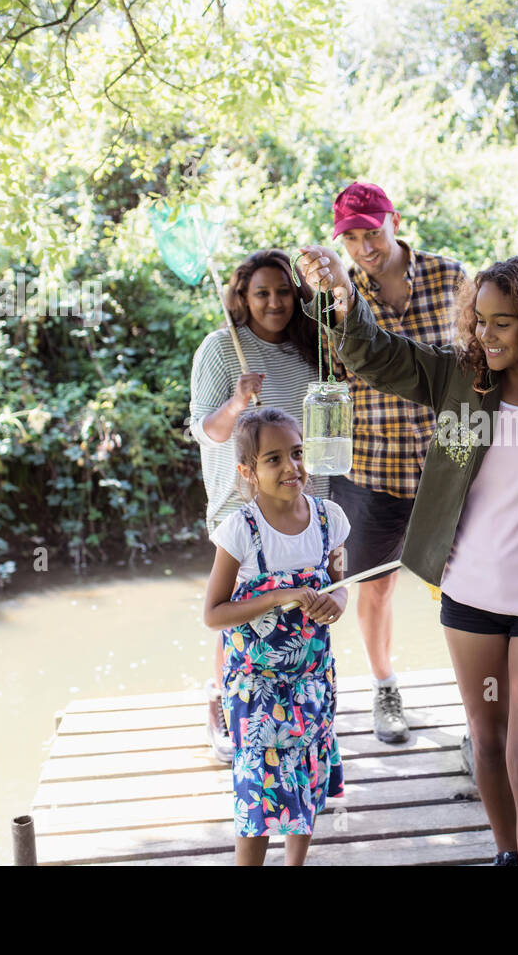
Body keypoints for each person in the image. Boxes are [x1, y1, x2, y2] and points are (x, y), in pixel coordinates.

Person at [298, 248, 518, 866]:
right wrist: (344, 293)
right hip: (469, 598)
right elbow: (377, 355)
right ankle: (509, 852)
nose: (485, 333)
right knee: (487, 741)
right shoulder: (461, 380)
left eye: (501, 322)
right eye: (479, 320)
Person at [325, 182, 469, 744]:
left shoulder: (453, 277)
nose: (364, 247)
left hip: (450, 466)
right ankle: (385, 686)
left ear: (395, 222)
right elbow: (330, 376)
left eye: (372, 232)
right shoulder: (339, 292)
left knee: (468, 586)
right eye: (351, 238)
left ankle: (479, 703)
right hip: (372, 469)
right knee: (375, 586)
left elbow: (481, 361)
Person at [187, 249, 335, 762]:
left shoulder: (312, 348)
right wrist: (237, 402)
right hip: (243, 500)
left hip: (304, 494)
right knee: (242, 607)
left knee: (302, 602)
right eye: (261, 293)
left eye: (284, 292)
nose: (274, 302)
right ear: (242, 298)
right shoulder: (221, 349)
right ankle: (223, 703)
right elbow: (206, 432)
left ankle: (297, 706)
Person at [202, 406, 350, 865]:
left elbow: (340, 581)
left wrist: (337, 603)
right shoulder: (240, 530)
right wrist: (276, 596)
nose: (292, 467)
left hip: (312, 680)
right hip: (256, 689)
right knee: (259, 795)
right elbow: (213, 614)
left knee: (305, 780)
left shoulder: (330, 520)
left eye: (298, 453)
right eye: (273, 459)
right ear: (248, 472)